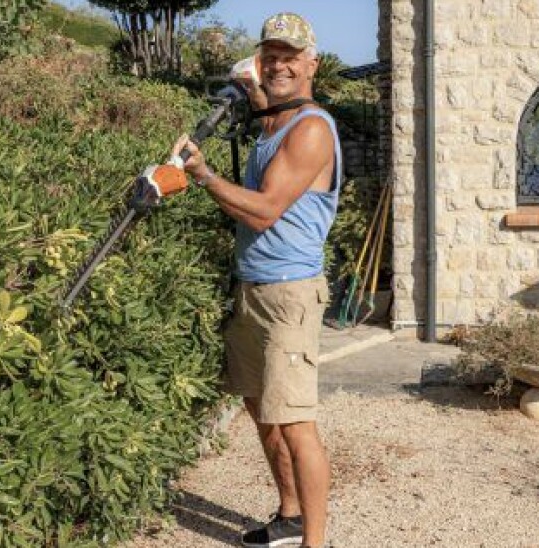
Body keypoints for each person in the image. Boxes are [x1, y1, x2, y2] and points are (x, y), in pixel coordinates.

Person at [170, 12, 341, 548]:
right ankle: (290, 516)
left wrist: (203, 175)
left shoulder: (311, 128)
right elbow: (259, 95)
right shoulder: (273, 120)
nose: (279, 64)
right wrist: (249, 87)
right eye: (270, 55)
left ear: (311, 63)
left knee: (295, 424)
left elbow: (266, 210)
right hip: (252, 288)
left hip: (289, 293)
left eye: (291, 56)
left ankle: (316, 543)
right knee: (262, 411)